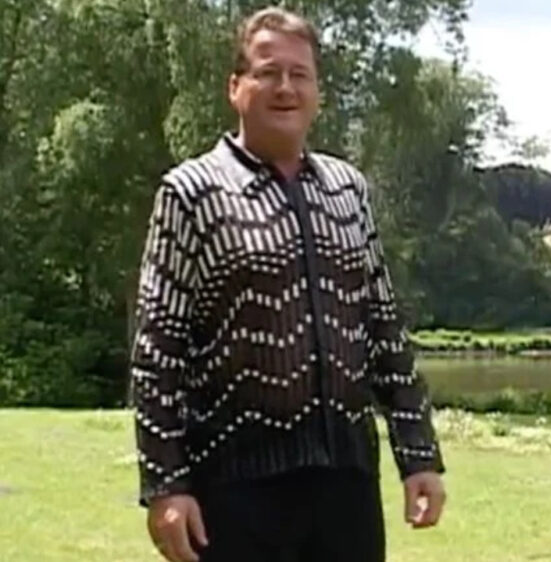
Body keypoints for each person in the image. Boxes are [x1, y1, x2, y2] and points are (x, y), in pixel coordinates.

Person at [129, 7, 445, 562]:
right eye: (268, 72)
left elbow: (383, 329)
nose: (285, 88)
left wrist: (418, 454)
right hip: (234, 490)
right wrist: (166, 485)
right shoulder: (191, 193)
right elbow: (159, 349)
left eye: (300, 74)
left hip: (345, 486)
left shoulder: (348, 191)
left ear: (317, 92)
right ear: (235, 87)